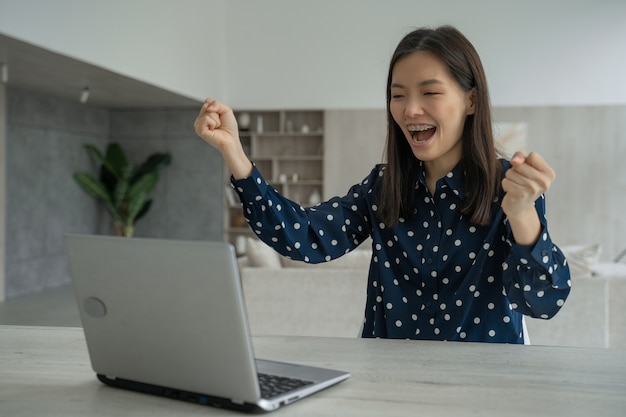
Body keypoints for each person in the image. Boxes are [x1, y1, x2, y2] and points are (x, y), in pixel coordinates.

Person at [194, 25, 571, 344]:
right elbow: (304, 236)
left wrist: (521, 213)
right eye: (398, 94)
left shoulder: (509, 186)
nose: (409, 109)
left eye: (430, 92)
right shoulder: (383, 186)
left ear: (471, 100)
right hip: (387, 386)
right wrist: (235, 154)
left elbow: (542, 302)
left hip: (482, 391)